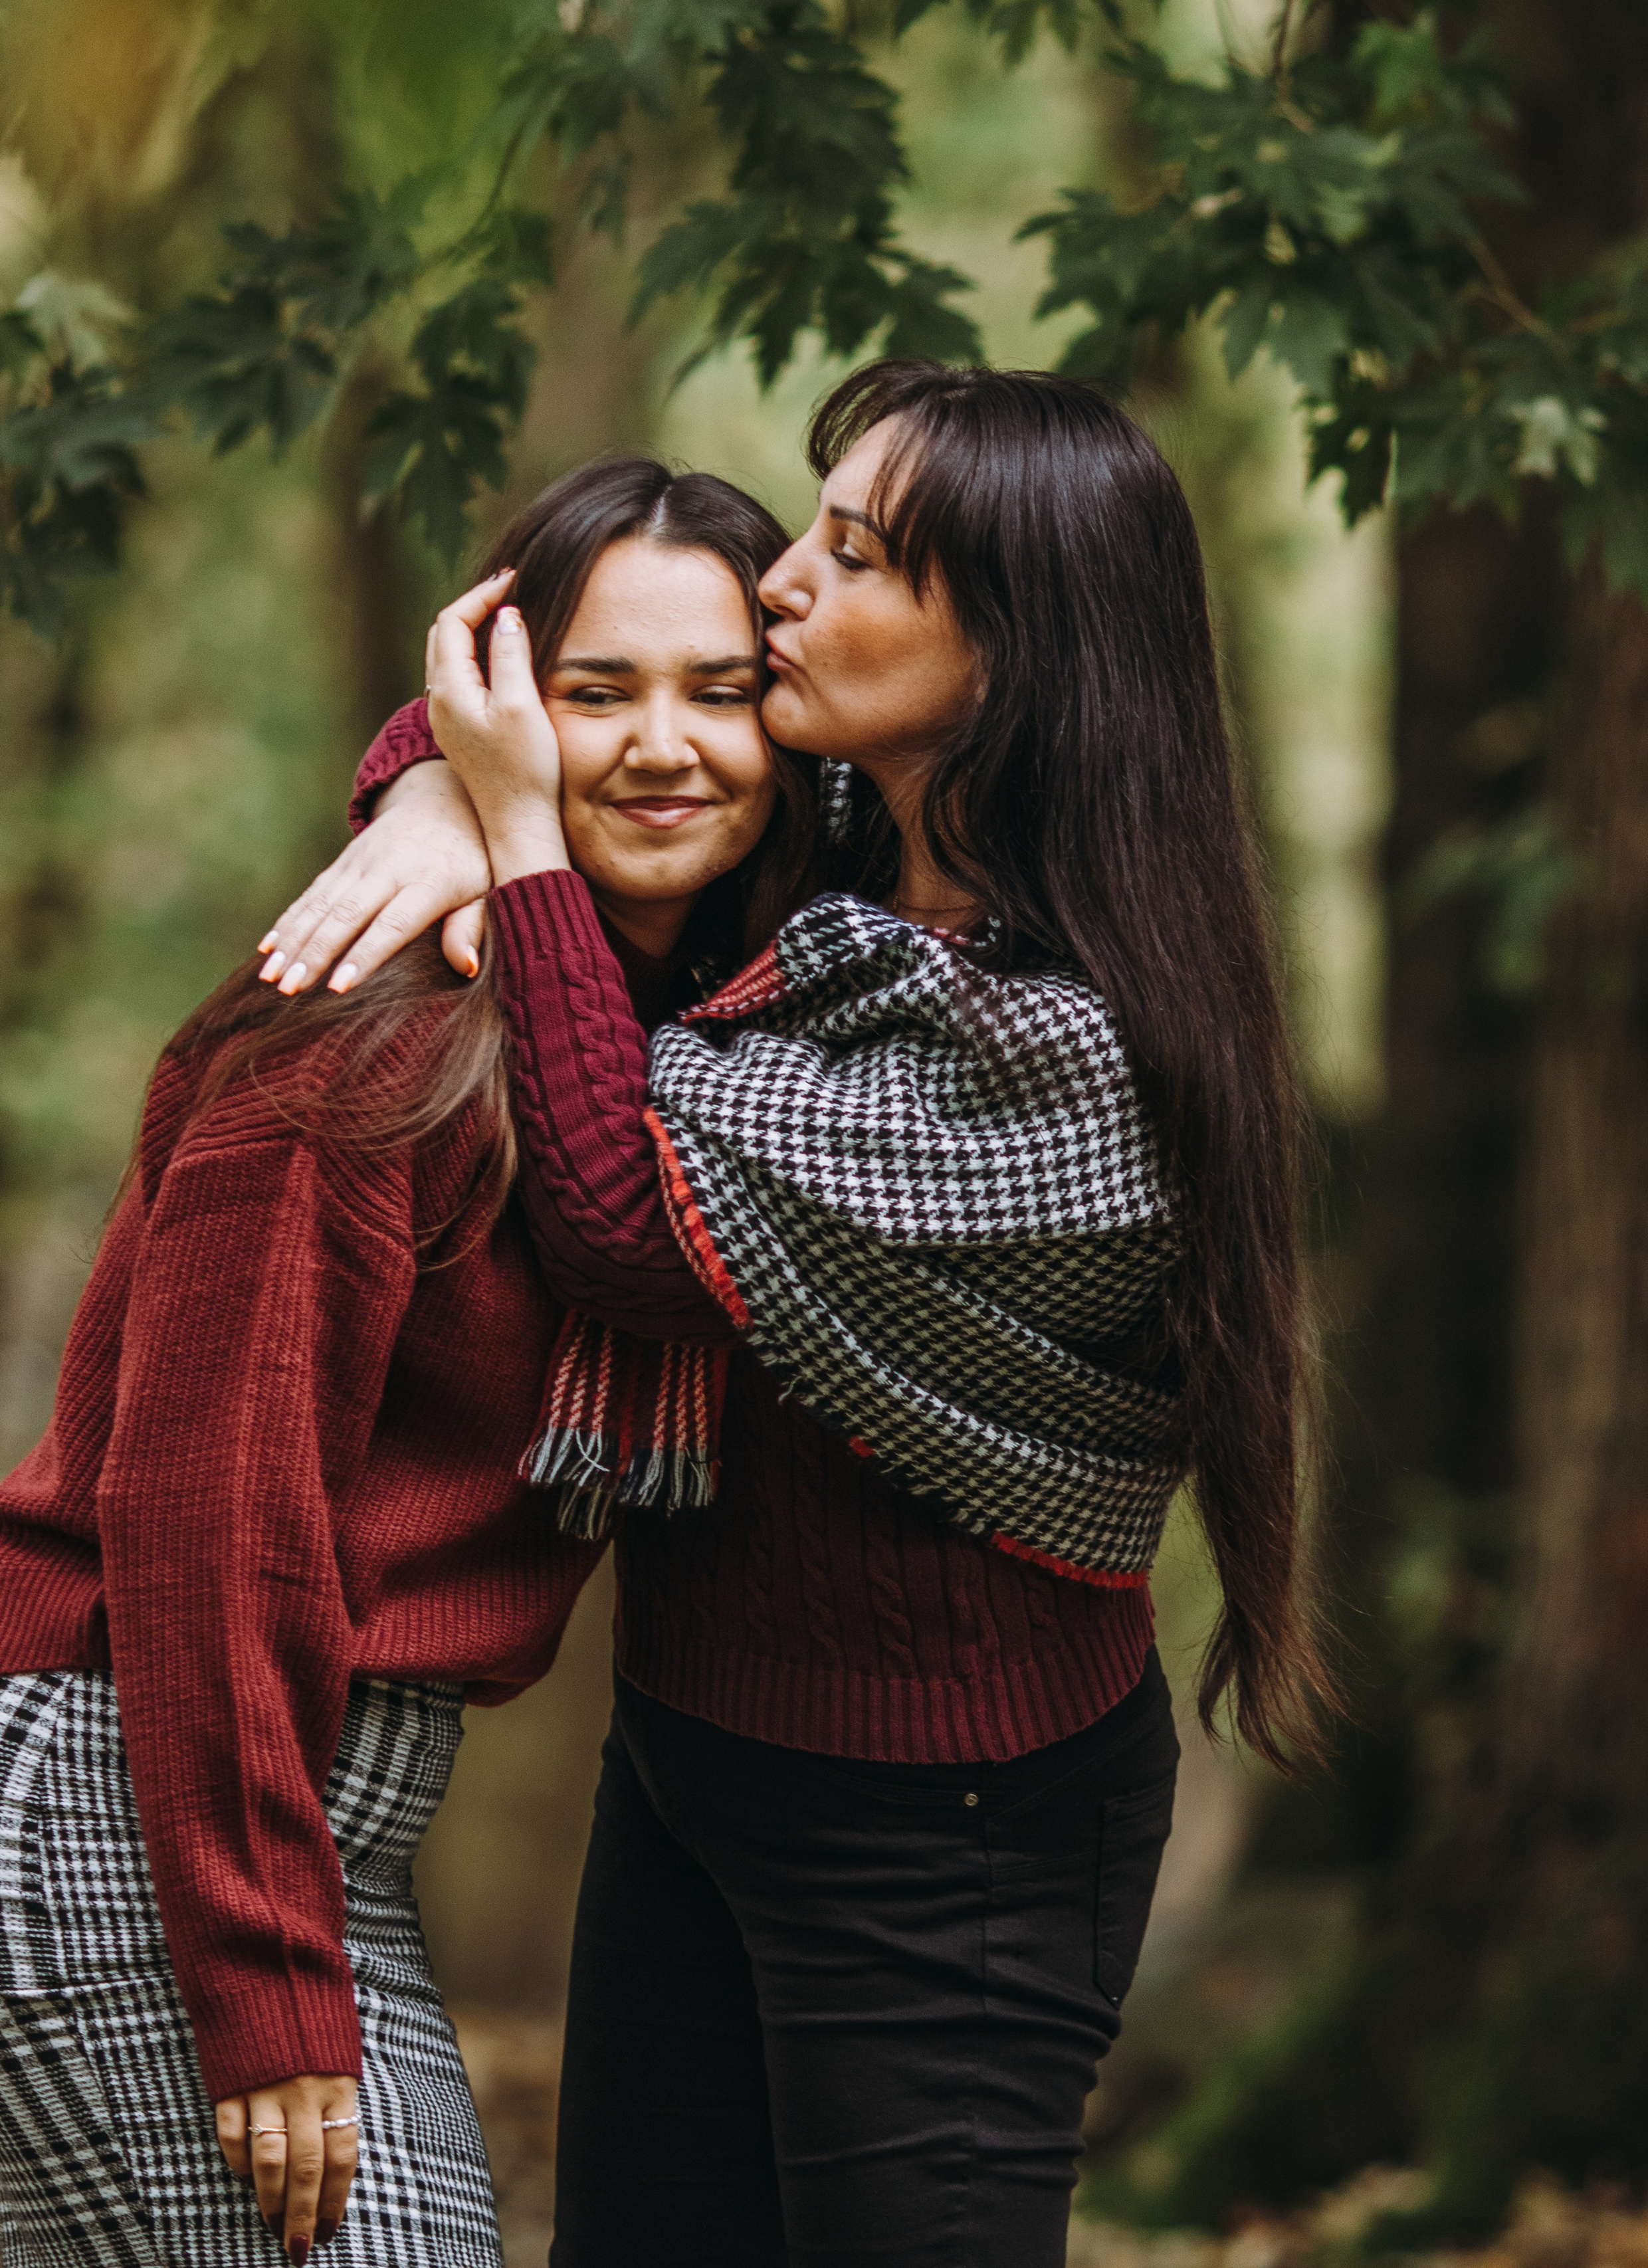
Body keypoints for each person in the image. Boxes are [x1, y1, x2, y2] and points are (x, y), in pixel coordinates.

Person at [260, 361, 1331, 2267]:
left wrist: (508, 854)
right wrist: (435, 788)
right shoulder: (819, 858)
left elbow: (622, 1229)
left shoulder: (1062, 1036)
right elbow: (590, 745)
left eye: (855, 555)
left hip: (952, 1827)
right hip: (689, 1751)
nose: (783, 587)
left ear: (1010, 644)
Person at [0, 456, 807, 2268]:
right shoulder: (376, 1042)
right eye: (594, 692)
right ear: (508, 716)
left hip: (267, 1809)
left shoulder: (677, 1039)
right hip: (134, 1788)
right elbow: (207, 1517)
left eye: (723, 691)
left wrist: (429, 785)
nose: (666, 746)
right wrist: (265, 1986)